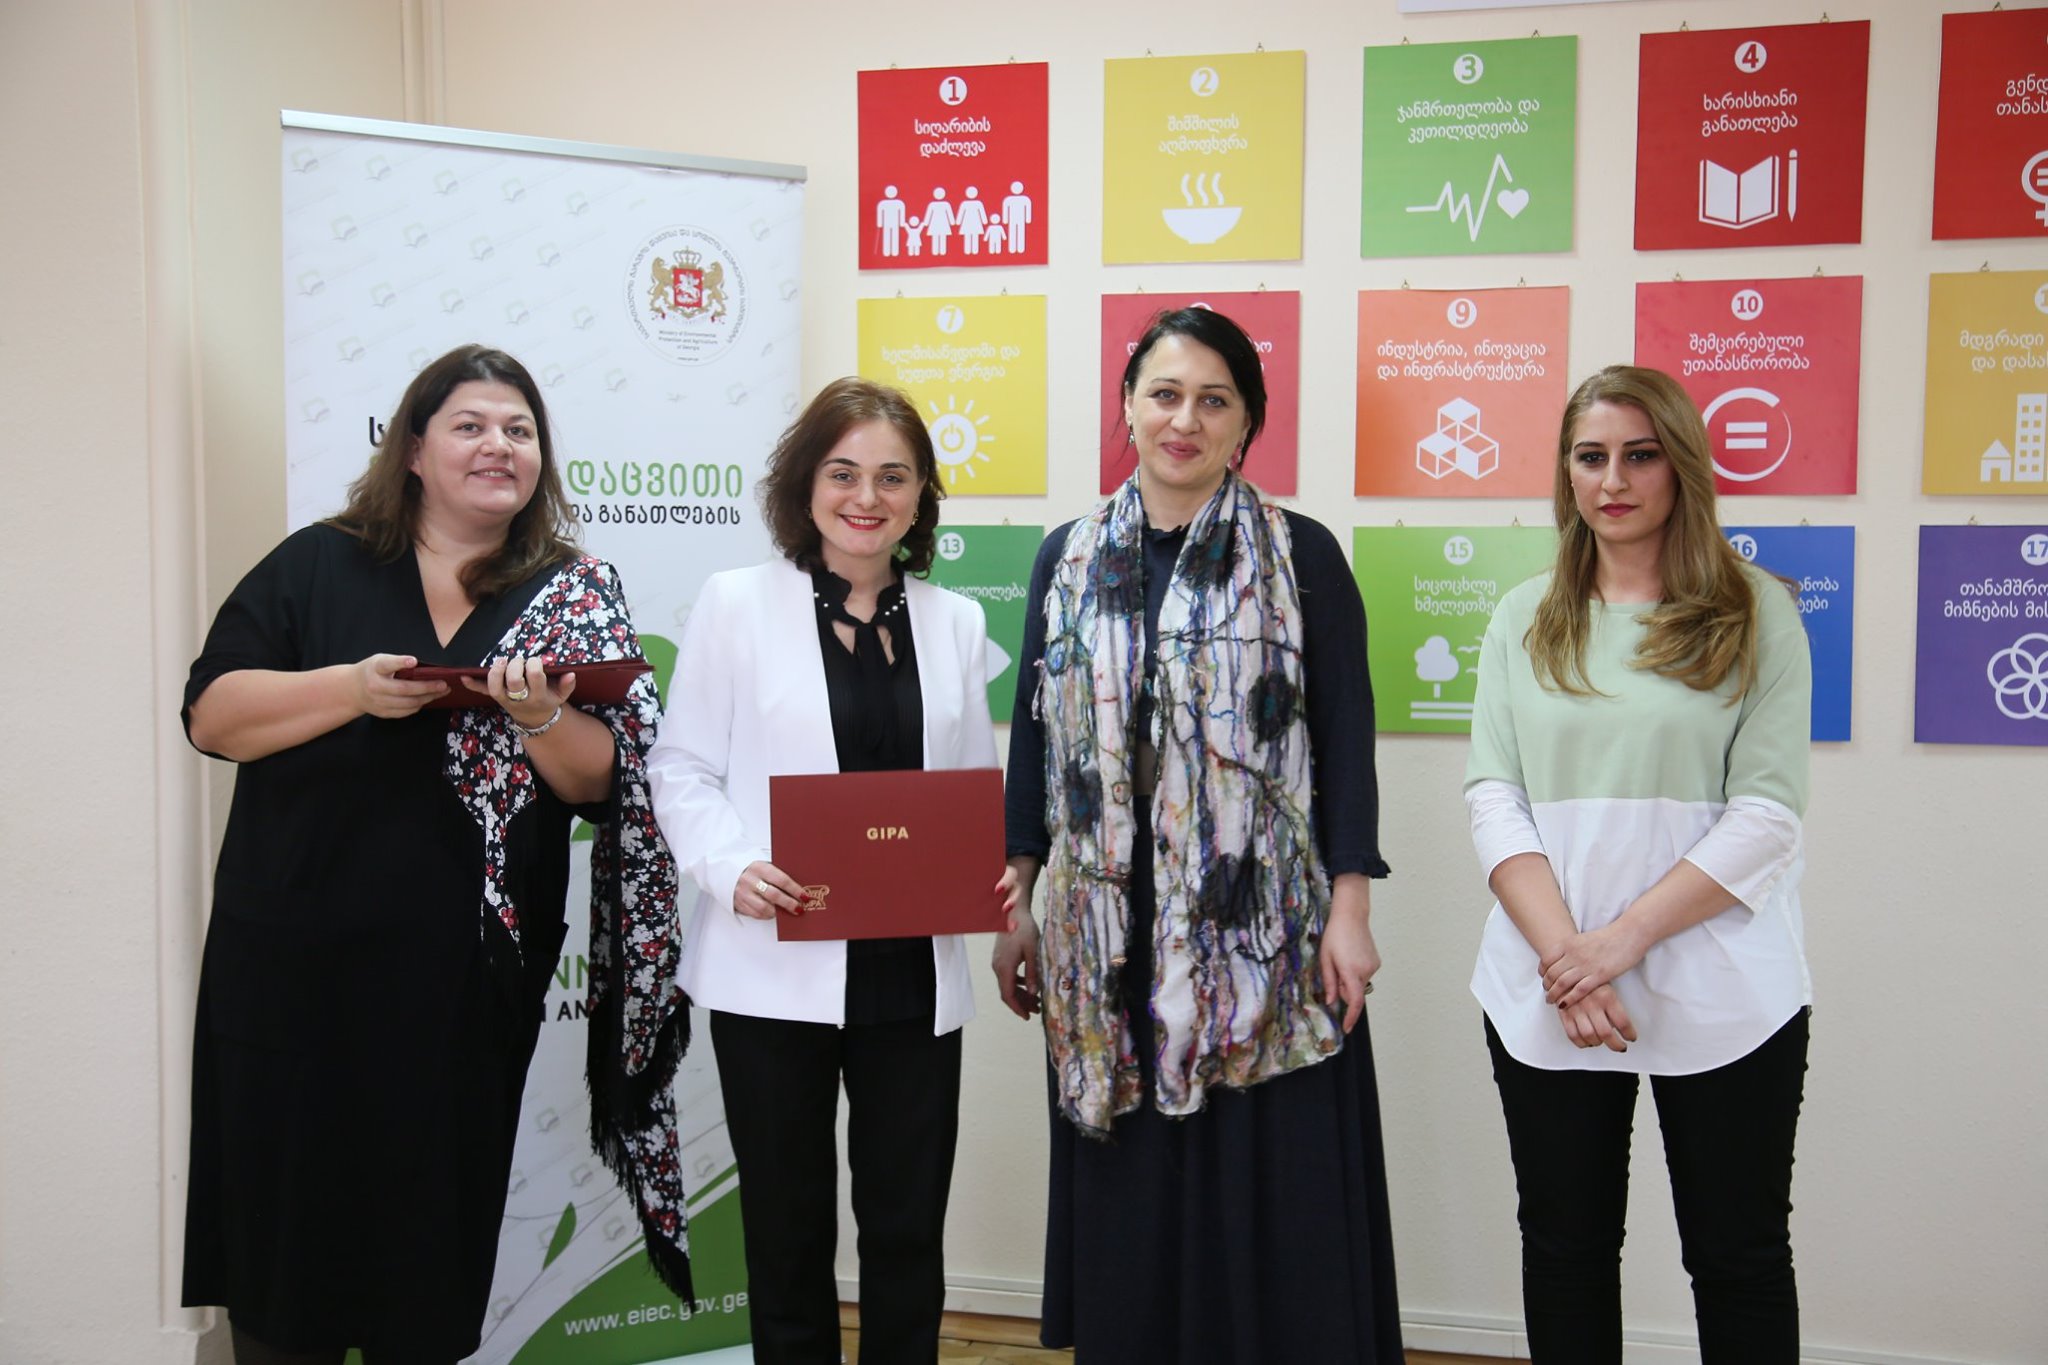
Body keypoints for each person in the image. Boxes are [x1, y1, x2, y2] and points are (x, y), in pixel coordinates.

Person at [181, 344, 686, 1365]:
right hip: (294, 974)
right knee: (285, 1256)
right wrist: (350, 690)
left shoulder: (571, 589)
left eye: (519, 430)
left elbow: (601, 783)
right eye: (470, 425)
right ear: (413, 450)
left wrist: (540, 717)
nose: (499, 445)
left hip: (464, 986)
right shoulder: (317, 563)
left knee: (428, 1259)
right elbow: (213, 715)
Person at [993, 307, 1403, 1363]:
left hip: (1259, 932)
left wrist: (1349, 908)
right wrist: (1017, 897)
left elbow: (1345, 740)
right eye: (1164, 394)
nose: (1185, 420)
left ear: (1246, 423)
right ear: (1128, 407)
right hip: (1105, 935)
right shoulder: (1066, 557)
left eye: (1213, 400)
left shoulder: (1302, 556)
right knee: (1133, 1190)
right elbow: (1037, 743)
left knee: (1266, 1184)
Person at [646, 378, 1014, 1365]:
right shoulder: (736, 604)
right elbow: (680, 767)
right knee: (786, 1233)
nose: (866, 496)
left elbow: (969, 792)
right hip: (772, 966)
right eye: (843, 472)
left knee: (906, 1233)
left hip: (910, 976)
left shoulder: (955, 622)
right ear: (804, 485)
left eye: (893, 476)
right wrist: (732, 866)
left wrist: (998, 887)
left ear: (920, 495)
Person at [1465, 365, 1814, 1363]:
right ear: (1566, 473)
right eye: (1590, 457)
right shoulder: (1522, 616)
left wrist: (1611, 946)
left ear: (1680, 466)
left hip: (1722, 985)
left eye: (1638, 455)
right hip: (1551, 984)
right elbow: (1493, 799)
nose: (1611, 480)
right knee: (1566, 1249)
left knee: (1738, 1257)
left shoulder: (1757, 611)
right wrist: (1566, 959)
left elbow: (1767, 815)